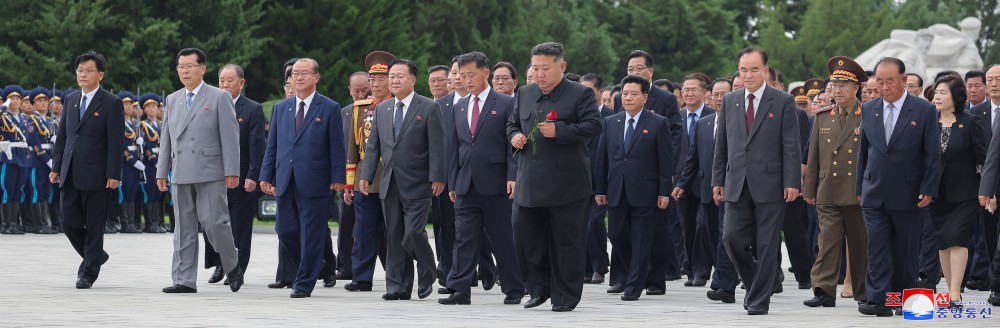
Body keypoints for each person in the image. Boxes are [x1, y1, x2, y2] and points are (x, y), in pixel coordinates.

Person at [506, 42, 603, 312]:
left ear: (562, 66)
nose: (539, 74)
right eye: (535, 68)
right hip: (530, 182)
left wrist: (561, 131)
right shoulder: (524, 93)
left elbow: (595, 125)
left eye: (545, 68)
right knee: (524, 236)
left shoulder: (580, 94)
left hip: (568, 184)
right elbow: (512, 123)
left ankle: (565, 296)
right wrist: (514, 136)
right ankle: (538, 289)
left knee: (567, 243)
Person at [712, 47, 801, 315]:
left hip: (771, 184)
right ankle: (759, 283)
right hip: (736, 182)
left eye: (753, 69)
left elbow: (791, 146)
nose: (747, 75)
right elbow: (723, 145)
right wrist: (718, 178)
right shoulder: (731, 100)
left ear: (765, 71)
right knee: (731, 238)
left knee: (767, 244)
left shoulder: (783, 100)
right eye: (743, 70)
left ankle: (759, 299)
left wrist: (792, 181)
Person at [437, 51, 525, 305]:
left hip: (497, 183)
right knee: (464, 238)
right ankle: (460, 289)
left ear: (485, 73)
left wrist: (512, 175)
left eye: (471, 75)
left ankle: (513, 288)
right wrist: (452, 182)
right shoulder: (459, 106)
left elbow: (513, 145)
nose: (466, 80)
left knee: (503, 238)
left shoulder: (506, 103)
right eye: (462, 75)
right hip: (466, 184)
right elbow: (454, 148)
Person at [856, 57, 941, 317]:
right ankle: (878, 300)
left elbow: (932, 154)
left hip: (909, 193)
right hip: (874, 191)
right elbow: (864, 151)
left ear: (903, 81)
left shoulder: (923, 110)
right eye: (879, 82)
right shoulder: (869, 109)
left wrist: (929, 187)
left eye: (889, 81)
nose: (883, 87)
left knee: (906, 250)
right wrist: (860, 185)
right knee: (878, 246)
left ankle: (904, 298)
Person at [156, 48, 243, 294]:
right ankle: (183, 279)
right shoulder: (172, 99)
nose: (184, 71)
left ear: (202, 68)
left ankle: (232, 263)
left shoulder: (218, 97)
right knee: (183, 228)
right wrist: (161, 172)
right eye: (180, 66)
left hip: (210, 171)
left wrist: (232, 171)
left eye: (189, 66)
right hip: (181, 171)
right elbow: (167, 139)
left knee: (214, 223)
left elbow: (230, 137)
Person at [358, 58, 445, 301]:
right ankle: (397, 286)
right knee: (394, 235)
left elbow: (437, 146)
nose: (394, 80)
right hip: (389, 181)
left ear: (413, 79)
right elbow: (373, 145)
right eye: (391, 76)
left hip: (418, 182)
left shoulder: (428, 107)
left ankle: (427, 270)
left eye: (400, 76)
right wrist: (365, 175)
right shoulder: (383, 109)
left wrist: (438, 176)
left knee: (413, 233)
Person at [259, 58, 346, 298]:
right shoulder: (281, 107)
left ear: (316, 77)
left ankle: (304, 282)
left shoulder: (328, 107)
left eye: (304, 73)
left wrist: (338, 177)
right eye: (294, 73)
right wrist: (266, 175)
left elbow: (337, 145)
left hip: (315, 180)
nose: (298, 78)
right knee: (284, 229)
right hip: (285, 178)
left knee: (312, 232)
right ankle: (314, 264)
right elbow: (272, 146)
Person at [49, 52, 124, 288]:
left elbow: (115, 142)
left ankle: (88, 273)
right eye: (79, 70)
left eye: (88, 70)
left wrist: (114, 174)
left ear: (100, 74)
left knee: (94, 225)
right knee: (68, 221)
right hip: (70, 171)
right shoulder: (70, 99)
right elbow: (63, 137)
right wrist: (57, 165)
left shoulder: (111, 102)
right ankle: (96, 256)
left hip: (98, 174)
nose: (82, 74)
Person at [595, 75, 673, 301]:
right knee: (616, 234)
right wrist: (600, 190)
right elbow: (603, 159)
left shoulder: (658, 123)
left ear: (645, 97)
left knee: (641, 240)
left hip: (646, 193)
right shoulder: (611, 122)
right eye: (625, 93)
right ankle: (639, 272)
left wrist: (663, 192)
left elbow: (665, 161)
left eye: (634, 94)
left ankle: (634, 286)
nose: (628, 98)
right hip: (616, 190)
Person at [614, 50, 685, 294]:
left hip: (653, 172)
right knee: (619, 231)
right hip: (623, 176)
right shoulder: (620, 97)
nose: (633, 73)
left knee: (654, 232)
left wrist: (669, 170)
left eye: (638, 68)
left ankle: (654, 279)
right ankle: (626, 276)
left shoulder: (664, 99)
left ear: (650, 71)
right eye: (630, 69)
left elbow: (675, 134)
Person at [801, 56, 870, 308]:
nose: (837, 90)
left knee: (860, 244)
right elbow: (814, 155)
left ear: (856, 88)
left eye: (843, 85)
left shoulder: (867, 115)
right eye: (834, 85)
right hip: (827, 188)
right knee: (827, 242)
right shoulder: (822, 116)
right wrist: (809, 188)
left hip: (857, 191)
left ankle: (863, 292)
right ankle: (823, 291)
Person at [203, 64, 266, 285]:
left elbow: (256, 145)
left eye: (230, 80)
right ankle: (219, 264)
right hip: (213, 176)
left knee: (239, 226)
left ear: (241, 83)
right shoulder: (210, 105)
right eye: (221, 80)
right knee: (212, 222)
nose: (225, 84)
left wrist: (253, 175)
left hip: (241, 177)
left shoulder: (252, 109)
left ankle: (237, 268)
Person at [929, 75, 986, 308]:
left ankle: (954, 292)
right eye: (936, 93)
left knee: (958, 239)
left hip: (965, 193)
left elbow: (983, 159)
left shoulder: (970, 122)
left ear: (956, 96)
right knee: (943, 242)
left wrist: (987, 190)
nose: (937, 97)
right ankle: (951, 290)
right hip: (936, 193)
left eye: (943, 92)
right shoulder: (927, 122)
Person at [343, 52, 393, 293]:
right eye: (372, 79)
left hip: (393, 175)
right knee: (363, 230)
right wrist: (349, 183)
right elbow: (353, 148)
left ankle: (397, 275)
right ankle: (361, 277)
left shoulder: (399, 106)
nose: (375, 84)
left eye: (381, 78)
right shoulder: (359, 108)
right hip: (367, 177)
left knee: (394, 229)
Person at [675, 74, 717, 287]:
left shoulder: (713, 116)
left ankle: (702, 271)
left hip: (707, 180)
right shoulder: (676, 117)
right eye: (685, 89)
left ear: (704, 93)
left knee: (703, 225)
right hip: (682, 181)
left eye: (694, 89)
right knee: (687, 226)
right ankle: (690, 269)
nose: (689, 93)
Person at [336, 70, 370, 281]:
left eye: (364, 90)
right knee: (345, 222)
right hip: (348, 176)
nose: (360, 95)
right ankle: (345, 265)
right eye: (356, 91)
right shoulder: (344, 112)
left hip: (371, 177)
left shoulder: (377, 110)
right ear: (349, 90)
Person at [580, 73, 612, 284]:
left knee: (594, 222)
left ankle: (600, 266)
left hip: (603, 180)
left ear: (600, 91)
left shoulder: (611, 116)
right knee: (580, 225)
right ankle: (586, 267)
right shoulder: (575, 115)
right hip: (578, 179)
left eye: (589, 92)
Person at [978, 64, 1000, 306]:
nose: (994, 84)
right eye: (990, 80)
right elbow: (993, 156)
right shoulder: (980, 113)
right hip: (995, 187)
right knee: (993, 238)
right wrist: (987, 189)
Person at [138, 93, 167, 233]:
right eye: (148, 107)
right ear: (144, 110)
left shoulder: (161, 125)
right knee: (151, 192)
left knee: (160, 193)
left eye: (154, 106)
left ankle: (158, 221)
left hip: (163, 162)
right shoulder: (143, 125)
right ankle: (150, 223)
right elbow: (147, 148)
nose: (152, 109)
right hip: (151, 165)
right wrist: (155, 161)